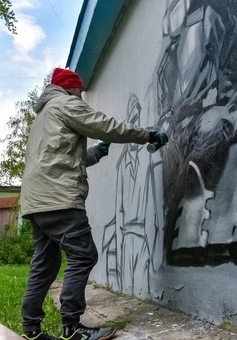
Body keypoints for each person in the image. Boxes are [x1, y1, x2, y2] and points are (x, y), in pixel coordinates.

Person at [20, 67, 168, 340]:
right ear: (72, 88)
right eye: (80, 90)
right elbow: (106, 126)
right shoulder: (66, 103)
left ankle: (31, 330)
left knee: (45, 264)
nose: (82, 95)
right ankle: (72, 328)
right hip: (59, 198)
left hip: (36, 200)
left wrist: (94, 154)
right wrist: (147, 135)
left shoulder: (42, 117)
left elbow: (57, 158)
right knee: (84, 254)